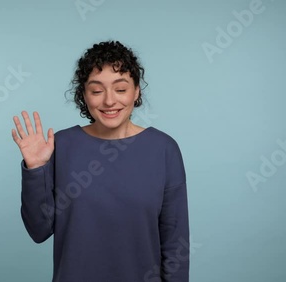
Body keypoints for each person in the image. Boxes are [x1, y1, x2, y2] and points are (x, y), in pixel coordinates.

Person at [11, 40, 190, 282]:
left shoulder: (163, 149)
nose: (109, 101)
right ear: (84, 95)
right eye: (96, 91)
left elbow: (174, 242)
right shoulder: (61, 145)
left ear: (136, 91)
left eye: (120, 89)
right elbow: (38, 230)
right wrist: (35, 169)